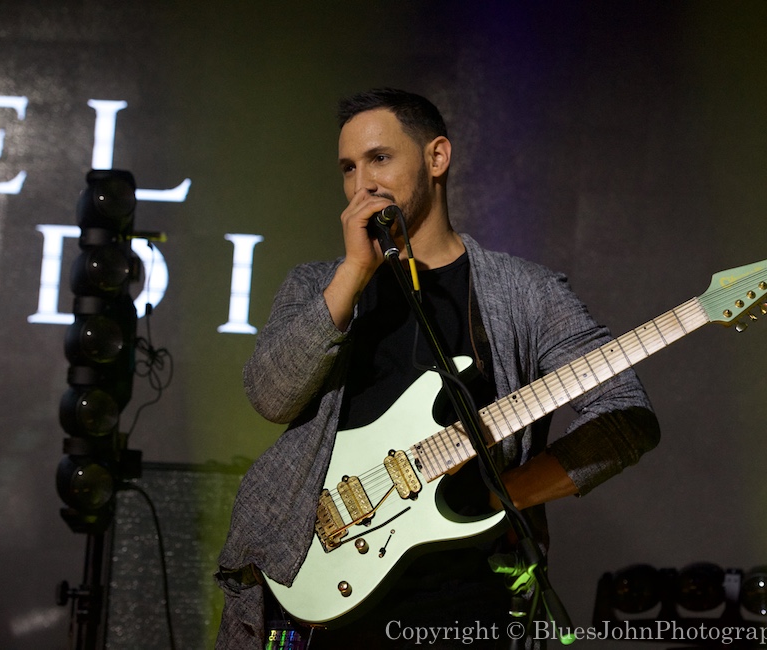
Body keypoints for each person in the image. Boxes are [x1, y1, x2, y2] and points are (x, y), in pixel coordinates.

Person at [215, 88, 660, 649]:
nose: (361, 185)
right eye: (348, 168)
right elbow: (270, 396)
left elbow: (625, 414)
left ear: (437, 157)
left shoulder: (526, 293)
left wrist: (505, 494)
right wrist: (354, 272)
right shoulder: (316, 285)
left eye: (379, 158)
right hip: (313, 590)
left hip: (463, 603)